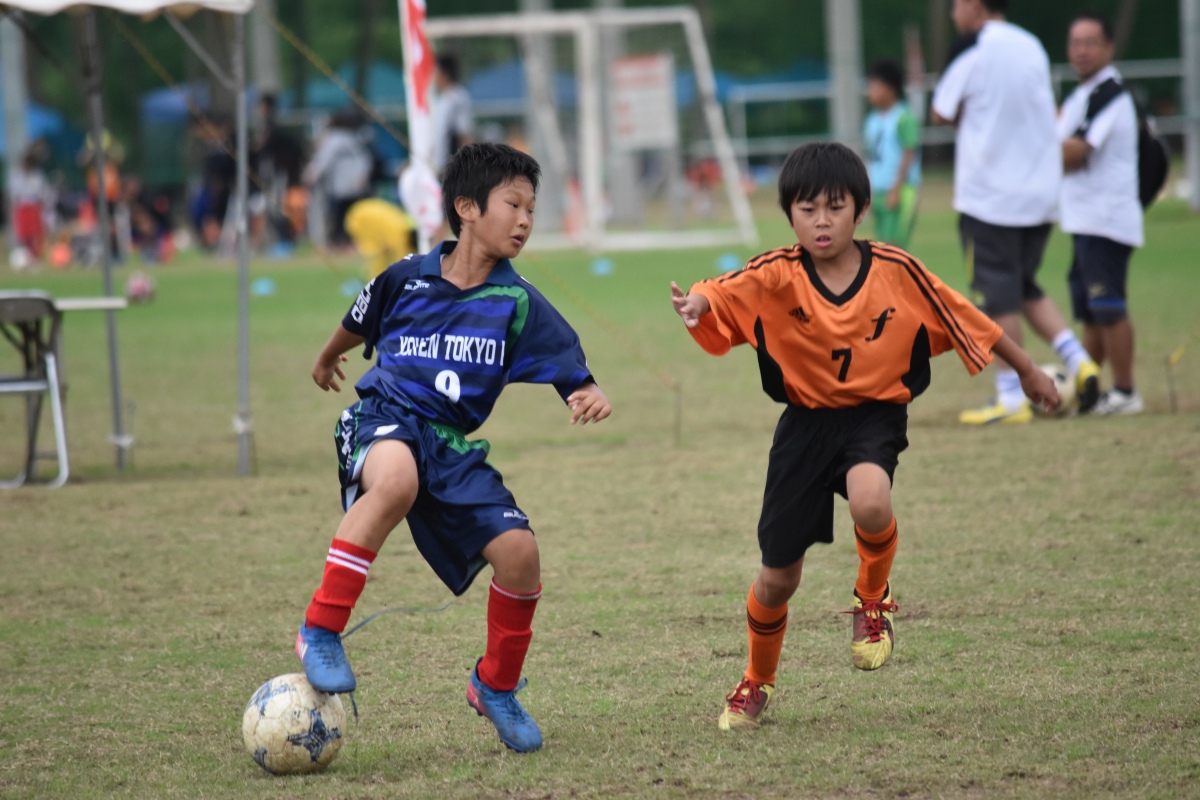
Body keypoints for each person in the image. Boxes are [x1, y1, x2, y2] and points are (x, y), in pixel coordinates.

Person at [670, 142, 1057, 731]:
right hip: (804, 427)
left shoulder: (897, 271)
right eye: (807, 210)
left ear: (861, 209)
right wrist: (696, 303)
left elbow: (965, 315)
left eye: (835, 207)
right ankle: (756, 680)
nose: (821, 221)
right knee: (777, 579)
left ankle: (872, 597)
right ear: (789, 215)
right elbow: (721, 290)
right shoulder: (776, 272)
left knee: (872, 499)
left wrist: (1027, 370)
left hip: (874, 415)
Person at [294, 143, 612, 754]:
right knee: (395, 482)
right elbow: (359, 318)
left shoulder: (518, 301)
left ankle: (495, 685)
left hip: (448, 444)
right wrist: (328, 356)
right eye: (513, 205)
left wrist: (586, 392)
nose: (525, 220)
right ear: (467, 208)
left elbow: (569, 363)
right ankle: (321, 629)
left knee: (520, 554)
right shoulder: (406, 276)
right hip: (384, 415)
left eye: (531, 209)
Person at [931, 0, 1100, 423]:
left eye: (956, 4)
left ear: (974, 5)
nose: (953, 13)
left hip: (992, 196)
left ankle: (1010, 397)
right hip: (1040, 193)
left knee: (996, 296)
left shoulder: (973, 46)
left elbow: (940, 110)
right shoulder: (1032, 45)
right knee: (1023, 286)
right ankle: (1079, 361)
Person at [1057, 13, 1145, 415]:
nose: (1082, 51)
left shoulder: (1110, 95)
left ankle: (1125, 392)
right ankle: (1087, 394)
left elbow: (1074, 153)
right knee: (1092, 313)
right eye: (1076, 42)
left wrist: (1033, 153)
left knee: (1108, 307)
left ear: (1109, 48)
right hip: (1083, 220)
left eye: (1091, 42)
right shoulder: (1081, 96)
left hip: (1106, 220)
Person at [863, 59, 921, 249]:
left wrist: (896, 188)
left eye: (875, 87)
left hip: (900, 190)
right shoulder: (872, 119)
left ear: (891, 89)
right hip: (878, 190)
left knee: (895, 249)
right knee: (881, 248)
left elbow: (909, 152)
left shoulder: (903, 117)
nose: (870, 92)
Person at [303, 109, 374, 249]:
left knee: (340, 216)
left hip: (340, 186)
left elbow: (324, 160)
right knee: (354, 214)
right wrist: (363, 176)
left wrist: (312, 175)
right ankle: (353, 242)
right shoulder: (355, 138)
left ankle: (341, 242)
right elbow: (366, 160)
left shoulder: (335, 138)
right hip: (355, 184)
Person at [343, 197, 418, 280]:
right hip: (359, 220)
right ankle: (374, 280)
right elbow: (403, 262)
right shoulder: (400, 235)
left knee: (380, 253)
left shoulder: (403, 223)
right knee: (377, 254)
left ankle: (374, 279)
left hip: (359, 213)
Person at [432, 53, 474, 176]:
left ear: (445, 74)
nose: (434, 76)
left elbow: (465, 132)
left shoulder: (458, 97)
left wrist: (466, 166)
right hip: (440, 164)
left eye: (436, 72)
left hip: (452, 164)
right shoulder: (442, 99)